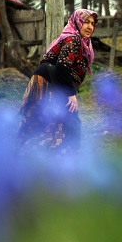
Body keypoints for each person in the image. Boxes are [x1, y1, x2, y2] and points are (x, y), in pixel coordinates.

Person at [17, 9, 98, 154]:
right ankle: (61, 160)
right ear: (77, 22)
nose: (90, 27)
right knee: (68, 125)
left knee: (41, 122)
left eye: (92, 23)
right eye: (86, 22)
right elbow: (62, 66)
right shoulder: (74, 39)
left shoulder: (79, 41)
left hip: (50, 80)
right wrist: (71, 93)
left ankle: (28, 157)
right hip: (50, 83)